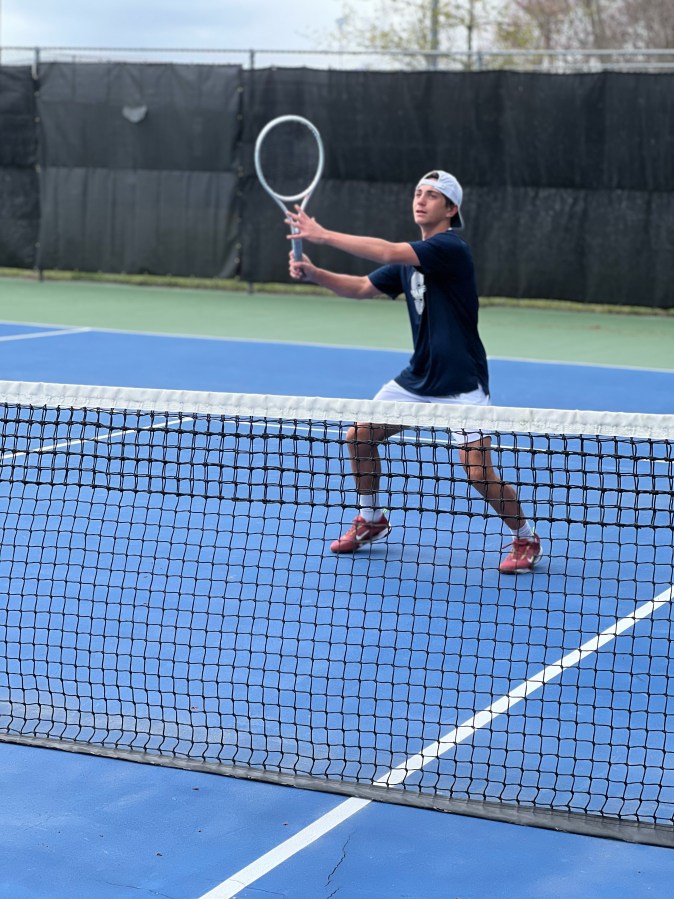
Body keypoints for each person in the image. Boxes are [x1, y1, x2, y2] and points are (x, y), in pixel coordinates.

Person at [286, 170, 541, 574]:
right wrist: (315, 273)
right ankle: (371, 519)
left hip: (461, 383)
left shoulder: (449, 248)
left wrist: (323, 235)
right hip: (418, 379)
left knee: (479, 474)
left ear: (451, 209)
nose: (420, 200)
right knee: (359, 436)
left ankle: (525, 537)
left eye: (432, 195)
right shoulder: (410, 262)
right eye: (418, 192)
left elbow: (388, 251)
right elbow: (361, 287)